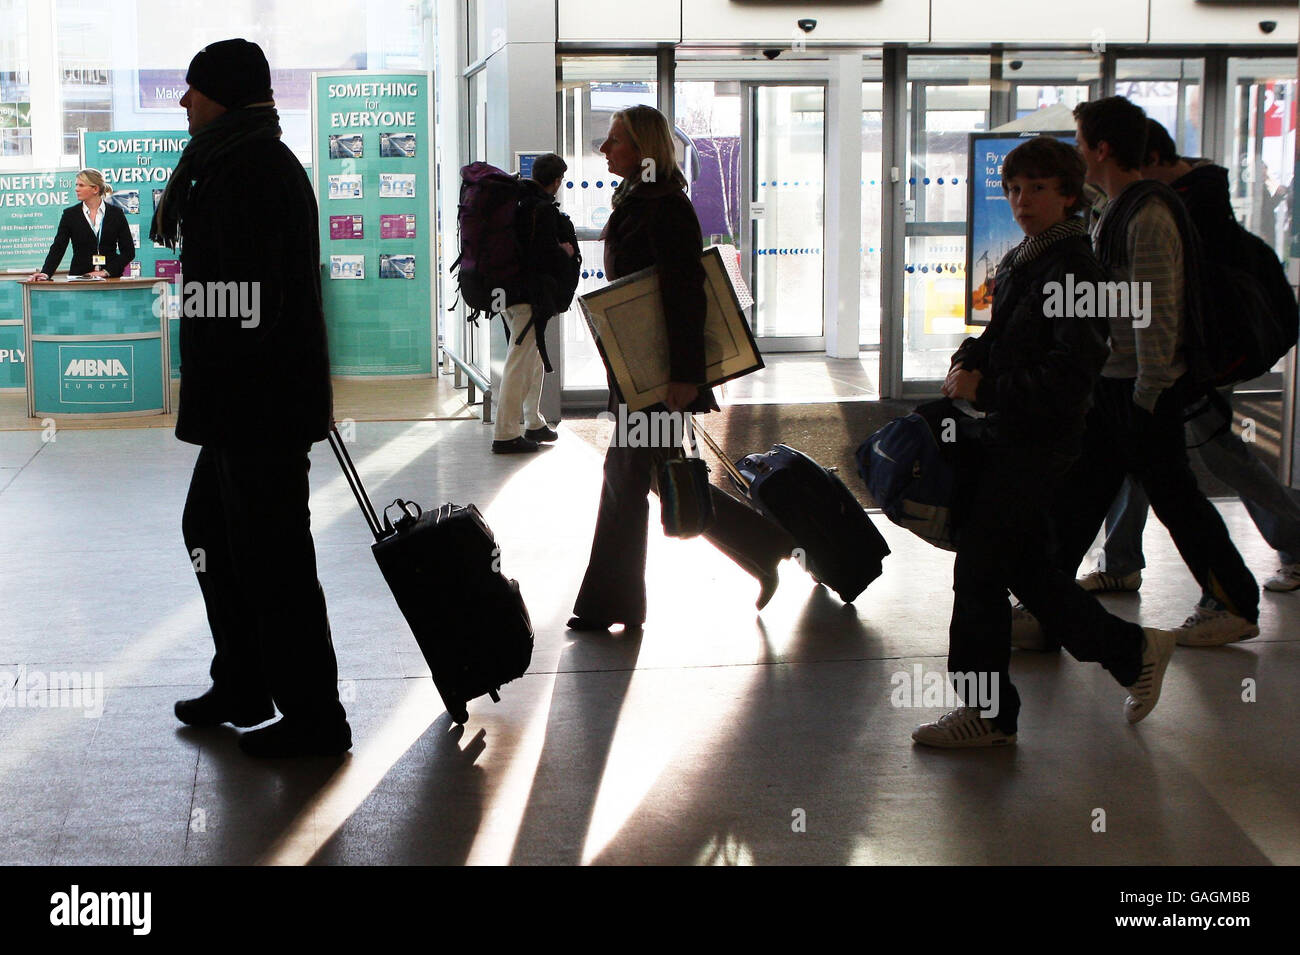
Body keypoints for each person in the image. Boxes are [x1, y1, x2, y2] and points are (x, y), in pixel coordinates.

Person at [911, 137, 1176, 748]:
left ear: (1066, 194)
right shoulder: (1030, 257)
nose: (1021, 200)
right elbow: (997, 333)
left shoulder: (1076, 269)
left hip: (1037, 444)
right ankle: (1131, 652)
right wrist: (966, 364)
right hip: (1011, 434)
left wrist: (990, 387)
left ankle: (988, 713)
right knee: (1024, 570)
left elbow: (1070, 375)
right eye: (1013, 188)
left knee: (980, 569)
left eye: (1036, 188)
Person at [156, 39, 349, 757]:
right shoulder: (232, 162)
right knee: (210, 533)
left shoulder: (255, 170)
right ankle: (243, 680)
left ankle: (316, 717)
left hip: (259, 408)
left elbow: (258, 303)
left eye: (194, 90)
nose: (184, 103)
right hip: (240, 406)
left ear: (226, 95)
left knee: (275, 558)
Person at [1017, 97, 1259, 652]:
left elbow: (1157, 309)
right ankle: (1046, 604)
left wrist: (1150, 391)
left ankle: (1234, 601)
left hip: (1140, 389)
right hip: (1118, 384)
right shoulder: (1117, 206)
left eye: (1080, 142)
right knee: (1081, 496)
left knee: (1175, 499)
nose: (1077, 151)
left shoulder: (1147, 215)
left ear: (1101, 148)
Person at [568, 105, 793, 630]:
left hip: (660, 379)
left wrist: (685, 376)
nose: (604, 148)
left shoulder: (665, 206)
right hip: (642, 374)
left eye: (615, 139)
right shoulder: (640, 200)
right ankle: (765, 544)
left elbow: (685, 294)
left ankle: (613, 604)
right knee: (651, 474)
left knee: (625, 477)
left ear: (643, 149)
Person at [1082, 118, 1300, 596]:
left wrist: (1154, 375)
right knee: (1138, 459)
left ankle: (1291, 543)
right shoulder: (1158, 200)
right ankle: (1121, 561)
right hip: (1162, 362)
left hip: (1191, 361)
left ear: (1154, 161)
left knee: (1218, 456)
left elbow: (1168, 303)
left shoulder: (1176, 210)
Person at [492, 152, 580, 454]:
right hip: (527, 297)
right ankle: (505, 433)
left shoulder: (519, 202)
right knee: (520, 361)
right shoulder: (539, 209)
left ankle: (533, 421)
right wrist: (565, 252)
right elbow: (539, 255)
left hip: (512, 293)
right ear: (556, 181)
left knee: (532, 356)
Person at [32, 169, 134, 280]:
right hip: (79, 278)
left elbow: (128, 252)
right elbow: (58, 247)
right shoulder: (70, 215)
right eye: (76, 185)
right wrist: (46, 273)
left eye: (81, 185)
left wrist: (106, 271)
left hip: (111, 279)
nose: (76, 189)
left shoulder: (116, 214)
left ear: (95, 189)